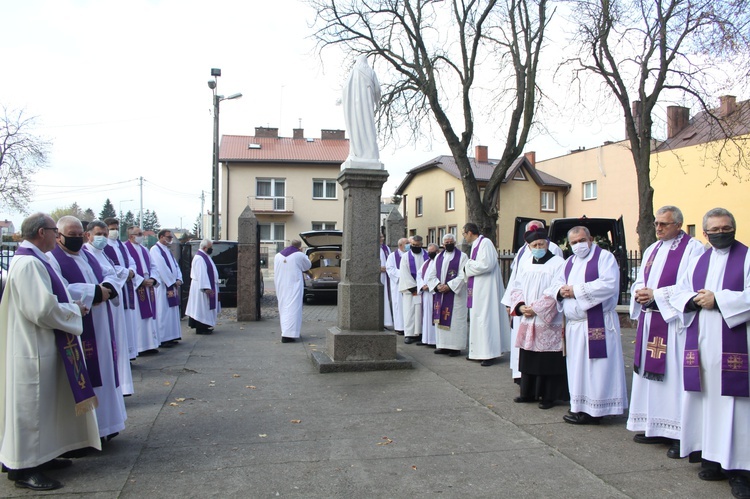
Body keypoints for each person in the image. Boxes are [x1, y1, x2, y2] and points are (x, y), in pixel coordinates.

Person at [0, 213, 100, 491]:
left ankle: (42, 456)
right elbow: (42, 309)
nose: (57, 237)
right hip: (32, 348)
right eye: (54, 231)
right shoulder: (29, 263)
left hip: (44, 344)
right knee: (30, 407)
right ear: (41, 232)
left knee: (43, 407)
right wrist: (74, 311)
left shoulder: (37, 259)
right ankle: (24, 469)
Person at [670, 208, 750, 498]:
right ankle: (712, 459)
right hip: (702, 345)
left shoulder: (748, 257)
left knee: (736, 408)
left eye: (726, 227)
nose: (720, 233)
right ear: (704, 233)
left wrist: (719, 299)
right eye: (714, 229)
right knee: (706, 403)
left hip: (736, 345)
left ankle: (740, 470)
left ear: (734, 227)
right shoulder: (698, 261)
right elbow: (678, 292)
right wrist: (693, 299)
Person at [627, 206, 704, 457]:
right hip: (651, 320)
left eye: (664, 224)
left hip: (674, 325)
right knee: (651, 380)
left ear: (679, 225)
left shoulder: (693, 249)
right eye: (657, 224)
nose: (658, 228)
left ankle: (681, 433)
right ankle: (655, 426)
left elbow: (691, 285)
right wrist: (640, 292)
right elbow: (641, 279)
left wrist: (656, 295)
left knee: (674, 378)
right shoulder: (653, 249)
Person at [49, 216, 127, 441]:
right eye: (70, 235)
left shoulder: (87, 253)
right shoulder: (53, 259)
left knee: (105, 371)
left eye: (78, 235)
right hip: (80, 327)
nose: (75, 239)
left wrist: (109, 289)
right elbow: (61, 289)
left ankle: (108, 425)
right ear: (59, 236)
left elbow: (110, 272)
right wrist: (95, 291)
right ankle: (88, 434)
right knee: (89, 374)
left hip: (102, 322)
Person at [547, 225, 628, 424]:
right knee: (577, 368)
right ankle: (580, 406)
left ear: (590, 239)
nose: (578, 246)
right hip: (575, 326)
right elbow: (554, 285)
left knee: (597, 368)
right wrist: (561, 291)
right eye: (573, 243)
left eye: (581, 240)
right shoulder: (568, 263)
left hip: (597, 322)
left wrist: (575, 290)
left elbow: (608, 284)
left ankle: (597, 410)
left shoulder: (604, 258)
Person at [506, 227, 568, 409]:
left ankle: (548, 396)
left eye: (541, 244)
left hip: (547, 319)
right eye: (535, 245)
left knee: (547, 360)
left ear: (547, 244)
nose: (538, 247)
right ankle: (528, 392)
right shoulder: (525, 263)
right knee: (528, 357)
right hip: (528, 316)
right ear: (529, 246)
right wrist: (520, 305)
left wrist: (537, 308)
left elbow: (557, 288)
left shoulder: (558, 263)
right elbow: (516, 286)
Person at [84, 220, 135, 397]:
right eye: (99, 234)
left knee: (117, 345)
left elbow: (111, 271)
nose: (103, 238)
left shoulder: (102, 252)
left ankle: (122, 385)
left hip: (113, 305)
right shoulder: (86, 253)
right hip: (101, 306)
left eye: (105, 234)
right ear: (88, 235)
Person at [463, 223, 511, 366]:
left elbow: (487, 264)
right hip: (479, 288)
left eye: (464, 234)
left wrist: (468, 265)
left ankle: (489, 353)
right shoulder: (476, 245)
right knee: (478, 318)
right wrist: (470, 264)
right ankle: (478, 351)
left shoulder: (486, 243)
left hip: (487, 289)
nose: (464, 237)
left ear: (470, 232)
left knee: (486, 318)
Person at [427, 233, 468, 357]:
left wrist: (449, 286)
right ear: (443, 244)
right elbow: (431, 275)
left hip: (455, 296)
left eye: (451, 242)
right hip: (441, 294)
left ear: (454, 243)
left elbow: (463, 275)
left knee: (455, 321)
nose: (448, 244)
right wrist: (438, 285)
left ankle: (455, 347)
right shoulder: (439, 257)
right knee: (441, 320)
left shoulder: (462, 257)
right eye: (446, 243)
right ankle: (443, 345)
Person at [103, 217, 138, 361]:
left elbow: (131, 261)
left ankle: (129, 354)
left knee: (127, 322)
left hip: (126, 285)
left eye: (116, 228)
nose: (114, 231)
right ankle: (120, 357)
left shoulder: (121, 245)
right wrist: (126, 273)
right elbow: (107, 265)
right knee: (117, 323)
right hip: (116, 286)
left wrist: (131, 271)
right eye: (111, 229)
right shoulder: (104, 245)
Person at [124, 226, 160, 355]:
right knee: (139, 317)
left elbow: (153, 266)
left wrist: (153, 279)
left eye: (142, 233)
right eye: (138, 234)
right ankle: (140, 346)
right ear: (131, 236)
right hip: (136, 286)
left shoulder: (145, 250)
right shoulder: (125, 249)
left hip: (148, 284)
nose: (141, 236)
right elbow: (129, 268)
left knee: (150, 315)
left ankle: (150, 343)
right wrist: (140, 281)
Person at [342, 54, 381, 168]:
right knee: (368, 127)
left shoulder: (355, 71)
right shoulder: (371, 72)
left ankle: (358, 152)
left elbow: (346, 88)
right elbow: (378, 89)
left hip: (357, 107)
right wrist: (377, 101)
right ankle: (370, 153)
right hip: (368, 107)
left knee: (357, 127)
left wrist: (342, 99)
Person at [274, 239, 312, 343]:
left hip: (281, 285)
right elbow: (308, 265)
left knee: (283, 307)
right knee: (293, 308)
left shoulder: (278, 255)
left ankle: (285, 331)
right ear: (300, 247)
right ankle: (289, 335)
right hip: (294, 284)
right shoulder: (299, 255)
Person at [149, 229, 182, 347]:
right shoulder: (155, 250)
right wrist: (172, 281)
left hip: (171, 285)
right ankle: (163, 338)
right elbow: (160, 267)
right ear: (161, 237)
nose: (170, 239)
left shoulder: (167, 250)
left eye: (171, 237)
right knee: (163, 312)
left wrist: (178, 278)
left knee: (171, 312)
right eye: (168, 237)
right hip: (163, 286)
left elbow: (175, 265)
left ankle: (172, 335)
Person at [186, 239, 220, 335]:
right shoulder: (199, 258)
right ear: (205, 248)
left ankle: (205, 326)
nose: (212, 249)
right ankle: (200, 327)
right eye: (210, 248)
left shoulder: (205, 256)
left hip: (206, 284)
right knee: (201, 307)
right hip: (201, 287)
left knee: (204, 307)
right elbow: (202, 274)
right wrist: (206, 287)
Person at [399, 236, 427, 344]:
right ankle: (409, 334)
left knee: (422, 312)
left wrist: (423, 286)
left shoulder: (427, 255)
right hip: (410, 290)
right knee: (410, 312)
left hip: (424, 289)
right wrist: (414, 288)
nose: (415, 247)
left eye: (418, 245)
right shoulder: (406, 257)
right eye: (413, 245)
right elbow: (404, 273)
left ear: (421, 244)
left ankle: (421, 334)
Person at [417, 243, 439, 347]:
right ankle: (426, 339)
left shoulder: (440, 262)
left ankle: (434, 340)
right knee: (426, 316)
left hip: (434, 293)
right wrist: (422, 285)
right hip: (425, 294)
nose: (430, 253)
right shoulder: (426, 262)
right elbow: (419, 275)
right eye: (429, 251)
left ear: (437, 251)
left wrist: (430, 286)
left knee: (433, 317)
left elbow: (440, 277)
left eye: (432, 251)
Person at [385, 238, 408, 334]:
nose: (409, 245)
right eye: (407, 243)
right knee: (399, 305)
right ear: (400, 245)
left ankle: (410, 329)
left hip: (411, 285)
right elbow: (390, 269)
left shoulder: (411, 255)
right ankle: (400, 328)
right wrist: (404, 274)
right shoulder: (392, 256)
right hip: (398, 285)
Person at [379, 234, 394, 329]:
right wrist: (378, 268)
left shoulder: (386, 248)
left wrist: (388, 267)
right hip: (379, 275)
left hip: (386, 275)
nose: (383, 238)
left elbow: (390, 261)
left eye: (383, 236)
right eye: (380, 237)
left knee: (386, 297)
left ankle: (386, 321)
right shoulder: (372, 248)